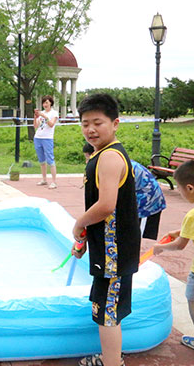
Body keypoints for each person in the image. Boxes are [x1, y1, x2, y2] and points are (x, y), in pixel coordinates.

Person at [72, 93, 140, 366]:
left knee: (107, 314)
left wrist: (80, 223)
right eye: (85, 123)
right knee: (106, 308)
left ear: (115, 123)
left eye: (98, 123)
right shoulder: (101, 155)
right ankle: (110, 358)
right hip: (110, 250)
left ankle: (112, 363)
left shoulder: (110, 157)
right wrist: (87, 239)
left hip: (115, 254)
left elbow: (106, 205)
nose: (90, 129)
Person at [153, 160, 194, 356]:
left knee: (193, 301)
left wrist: (160, 248)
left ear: (190, 188)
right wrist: (181, 231)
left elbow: (180, 245)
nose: (181, 193)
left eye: (180, 189)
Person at [82, 142, 166, 240]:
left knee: (137, 237)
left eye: (87, 158)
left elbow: (106, 204)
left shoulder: (112, 166)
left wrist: (83, 224)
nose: (87, 162)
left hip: (147, 202)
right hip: (135, 198)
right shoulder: (112, 161)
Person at [33, 95, 59, 189]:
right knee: (41, 160)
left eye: (47, 102)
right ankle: (44, 179)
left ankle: (54, 182)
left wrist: (44, 116)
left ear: (51, 103)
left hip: (47, 138)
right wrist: (35, 117)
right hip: (38, 137)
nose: (45, 104)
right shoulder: (41, 113)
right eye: (44, 103)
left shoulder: (54, 113)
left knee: (50, 159)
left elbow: (51, 124)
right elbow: (36, 126)